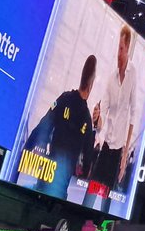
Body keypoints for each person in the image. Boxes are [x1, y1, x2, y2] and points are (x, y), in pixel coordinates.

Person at [22, 55, 97, 199]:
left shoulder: (64, 98)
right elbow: (88, 161)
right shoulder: (87, 119)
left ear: (82, 77)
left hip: (44, 179)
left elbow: (42, 126)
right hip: (58, 191)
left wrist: (25, 150)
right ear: (91, 85)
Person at [90, 27, 137, 198]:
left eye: (121, 49)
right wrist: (97, 119)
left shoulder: (133, 75)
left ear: (127, 49)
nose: (118, 53)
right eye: (117, 48)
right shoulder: (111, 79)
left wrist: (124, 158)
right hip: (107, 146)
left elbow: (133, 115)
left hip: (118, 151)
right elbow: (103, 111)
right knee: (92, 191)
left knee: (107, 200)